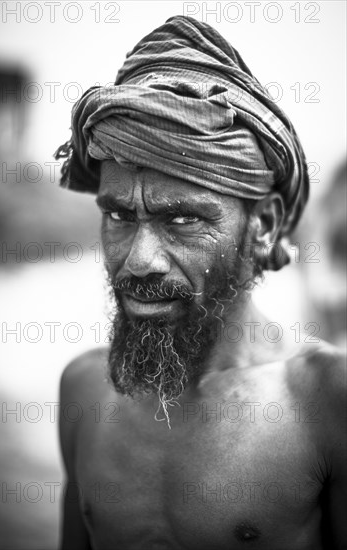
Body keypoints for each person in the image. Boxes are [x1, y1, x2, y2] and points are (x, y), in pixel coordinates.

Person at [55, 16, 346, 550]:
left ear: (264, 227)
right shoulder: (82, 389)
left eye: (183, 220)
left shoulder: (327, 402)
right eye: (119, 216)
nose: (138, 261)